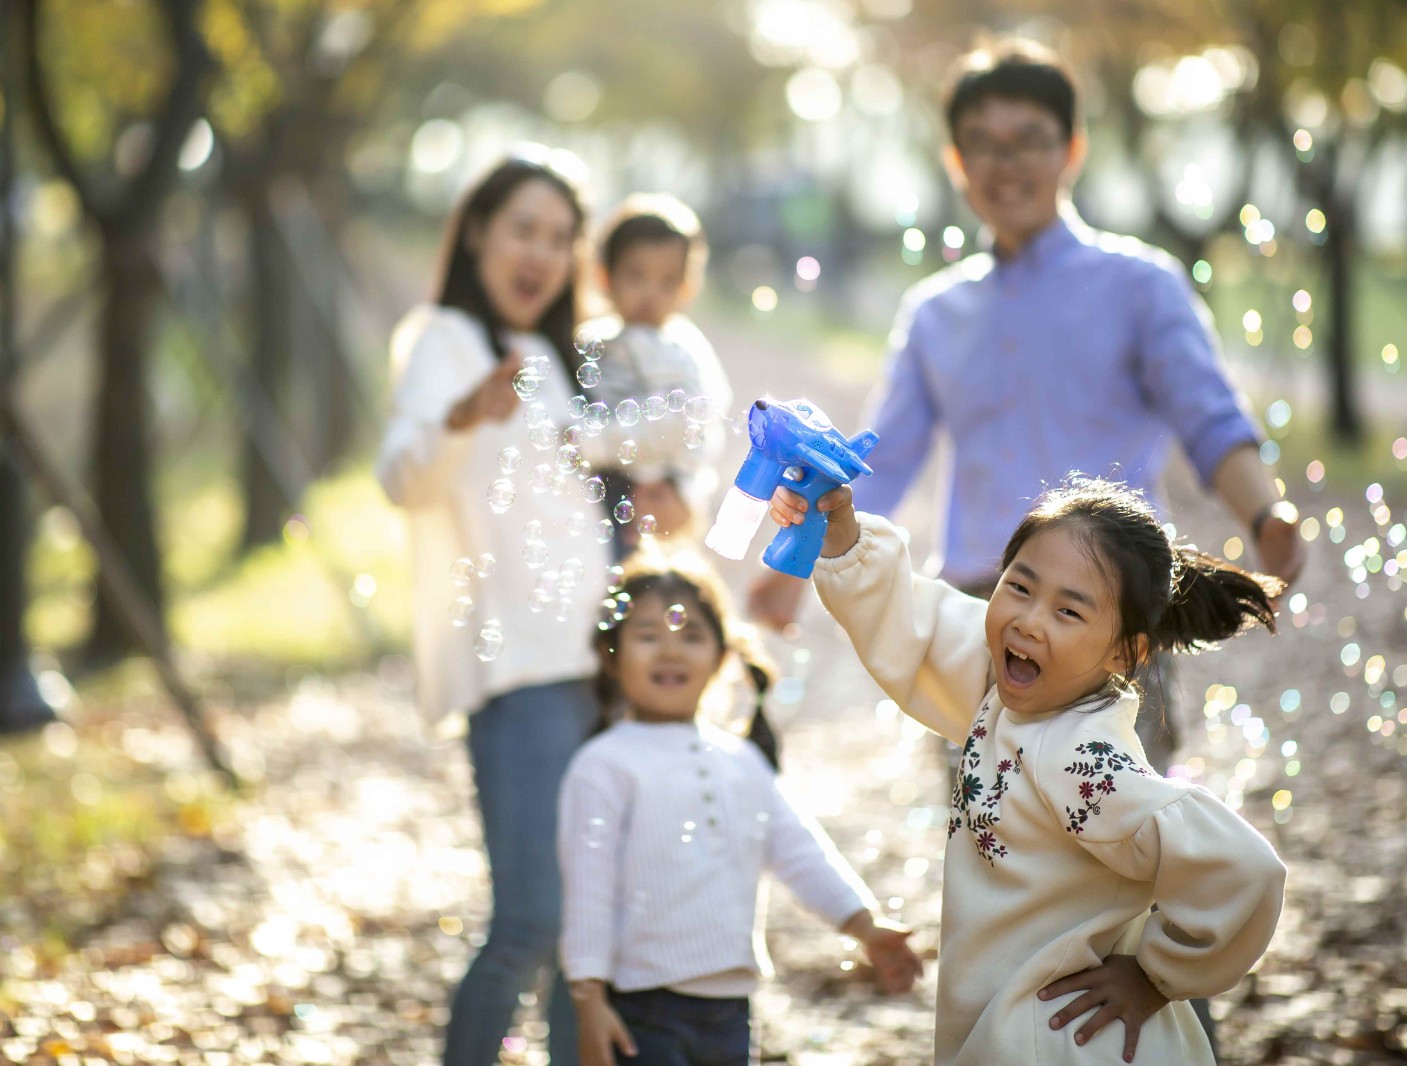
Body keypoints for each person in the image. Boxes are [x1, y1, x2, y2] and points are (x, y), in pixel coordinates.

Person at [746, 39, 1305, 771]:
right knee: (986, 842)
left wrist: (1267, 516)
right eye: (982, 144)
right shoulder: (935, 312)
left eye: (1028, 141)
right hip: (978, 617)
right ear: (956, 162)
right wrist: (795, 565)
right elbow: (883, 457)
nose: (1005, 164)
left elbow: (1211, 420)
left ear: (1072, 149)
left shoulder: (1141, 285)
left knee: (1119, 839)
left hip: (1113, 611)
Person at [766, 475, 1287, 1064]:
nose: (1030, 621)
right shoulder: (1005, 690)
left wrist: (1153, 975)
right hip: (1008, 1025)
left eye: (1069, 610)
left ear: (1126, 653)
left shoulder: (1084, 763)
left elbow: (1245, 868)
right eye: (1019, 587)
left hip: (1063, 1040)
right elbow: (924, 624)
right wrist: (843, 535)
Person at [375, 148, 609, 1066]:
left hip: (588, 662)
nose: (540, 254)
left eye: (559, 237)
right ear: (476, 234)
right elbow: (402, 474)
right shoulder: (443, 339)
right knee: (530, 919)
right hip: (517, 669)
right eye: (523, 230)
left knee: (578, 928)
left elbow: (572, 510)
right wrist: (463, 416)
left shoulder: (549, 357)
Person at [557, 549, 922, 1066]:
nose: (670, 650)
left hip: (731, 1006)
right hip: (641, 1006)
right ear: (612, 654)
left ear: (722, 655)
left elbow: (799, 850)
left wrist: (865, 925)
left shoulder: (742, 760)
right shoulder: (604, 765)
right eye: (646, 635)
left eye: (690, 636)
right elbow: (588, 890)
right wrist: (588, 1000)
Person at [579, 193, 733, 550]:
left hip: (649, 489)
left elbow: (681, 421)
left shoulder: (676, 350)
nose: (650, 293)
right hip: (602, 479)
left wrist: (595, 442)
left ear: (686, 288)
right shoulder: (595, 339)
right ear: (605, 276)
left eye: (667, 282)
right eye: (636, 276)